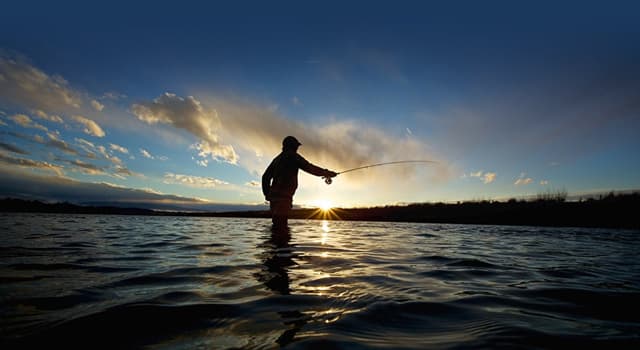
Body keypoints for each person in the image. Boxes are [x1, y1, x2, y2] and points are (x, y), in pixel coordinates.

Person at [262, 136, 337, 228]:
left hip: (274, 199)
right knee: (281, 226)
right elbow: (309, 168)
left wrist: (267, 194)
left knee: (277, 225)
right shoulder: (293, 156)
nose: (297, 148)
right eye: (296, 146)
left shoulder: (277, 159)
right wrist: (327, 173)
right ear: (292, 146)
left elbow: (265, 177)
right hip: (284, 198)